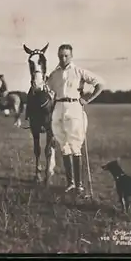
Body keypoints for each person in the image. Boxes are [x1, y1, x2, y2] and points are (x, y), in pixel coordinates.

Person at [46, 44, 104, 194]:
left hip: (74, 108)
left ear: (71, 56)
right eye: (60, 56)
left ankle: (79, 185)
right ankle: (70, 183)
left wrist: (87, 99)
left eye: (66, 55)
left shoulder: (79, 71)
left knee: (75, 145)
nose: (63, 58)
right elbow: (47, 89)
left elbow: (100, 84)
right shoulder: (54, 74)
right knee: (64, 146)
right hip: (58, 107)